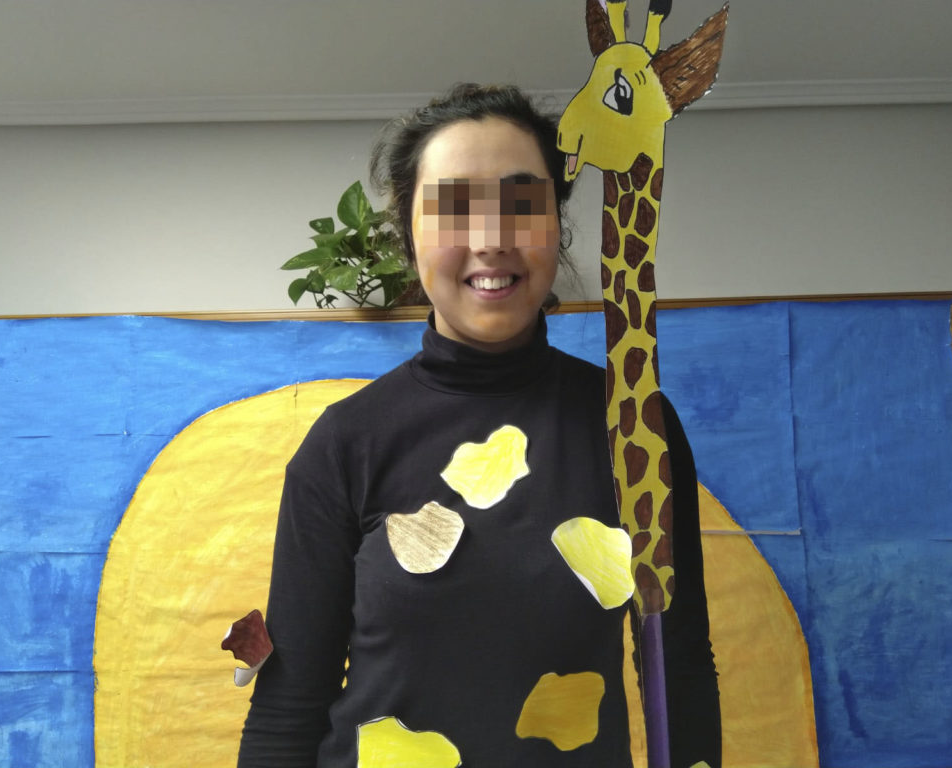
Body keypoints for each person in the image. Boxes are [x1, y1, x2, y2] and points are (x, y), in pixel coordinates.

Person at [237, 83, 720, 768]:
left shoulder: (635, 427)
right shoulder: (346, 443)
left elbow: (680, 668)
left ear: (556, 225)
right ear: (408, 234)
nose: (491, 241)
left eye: (522, 206)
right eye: (453, 210)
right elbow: (289, 705)